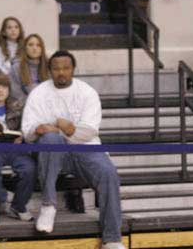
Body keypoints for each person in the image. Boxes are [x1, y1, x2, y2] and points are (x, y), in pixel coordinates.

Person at [21, 50, 124, 248]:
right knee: (51, 140)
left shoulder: (87, 92)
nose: (61, 72)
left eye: (66, 68)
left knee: (108, 172)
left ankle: (112, 239)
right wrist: (51, 128)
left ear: (73, 69)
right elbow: (28, 131)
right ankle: (48, 206)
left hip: (86, 149)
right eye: (56, 68)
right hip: (51, 152)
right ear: (49, 70)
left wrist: (59, 128)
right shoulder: (39, 93)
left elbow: (89, 131)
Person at [0, 74, 35, 221]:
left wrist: (22, 135)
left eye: (4, 87)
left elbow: (27, 126)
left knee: (29, 168)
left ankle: (18, 206)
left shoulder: (17, 106)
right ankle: (3, 199)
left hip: (14, 147)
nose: (0, 90)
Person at [10, 34, 48, 103]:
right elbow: (16, 94)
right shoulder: (16, 67)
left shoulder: (49, 66)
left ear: (42, 48)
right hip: (26, 107)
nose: (34, 48)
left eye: (38, 45)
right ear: (25, 48)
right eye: (30, 45)